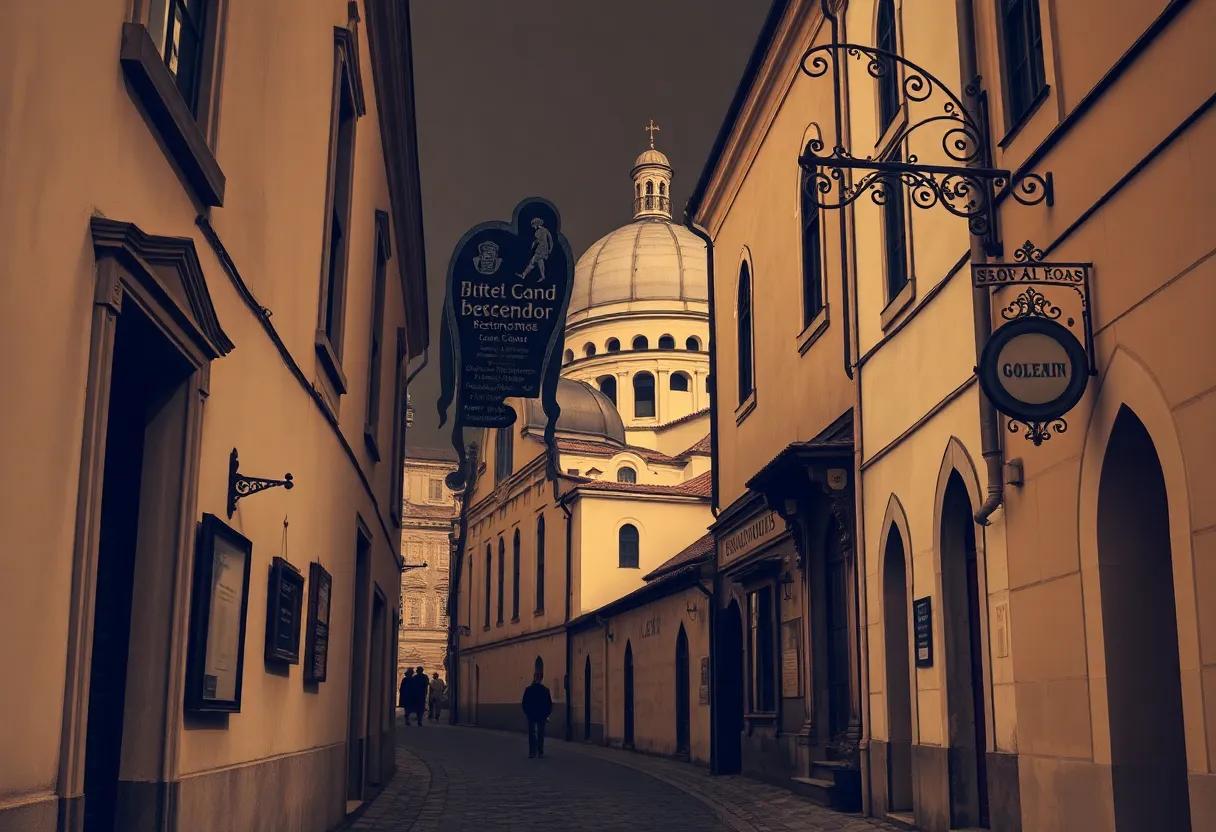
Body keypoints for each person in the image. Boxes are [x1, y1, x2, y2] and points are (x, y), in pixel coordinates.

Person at [521, 670, 553, 758]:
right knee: (540, 733)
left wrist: (527, 712)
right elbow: (549, 704)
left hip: (531, 715)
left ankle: (532, 752)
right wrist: (546, 714)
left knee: (532, 733)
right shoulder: (545, 690)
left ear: (534, 678)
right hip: (541, 715)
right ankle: (540, 752)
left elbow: (524, 703)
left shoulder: (529, 690)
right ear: (541, 679)